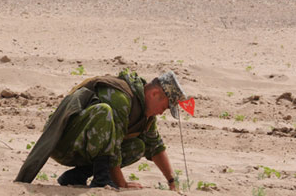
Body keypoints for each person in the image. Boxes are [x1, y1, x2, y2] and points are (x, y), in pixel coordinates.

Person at [16, 69, 189, 190]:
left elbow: (156, 146)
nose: (162, 111)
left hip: (85, 147)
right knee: (103, 112)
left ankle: (75, 177)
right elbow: (112, 146)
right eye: (166, 106)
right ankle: (101, 179)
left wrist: (172, 181)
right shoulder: (122, 97)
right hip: (64, 143)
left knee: (137, 147)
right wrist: (121, 183)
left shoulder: (146, 115)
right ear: (154, 94)